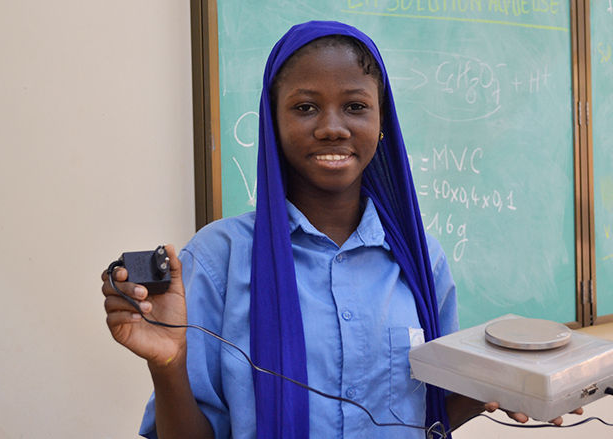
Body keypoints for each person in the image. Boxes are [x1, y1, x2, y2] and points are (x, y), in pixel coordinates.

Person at [101, 20, 578, 439]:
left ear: (382, 121)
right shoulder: (217, 258)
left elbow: (427, 419)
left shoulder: (419, 260)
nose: (333, 127)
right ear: (273, 121)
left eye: (355, 106)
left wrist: (502, 388)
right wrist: (167, 365)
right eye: (305, 108)